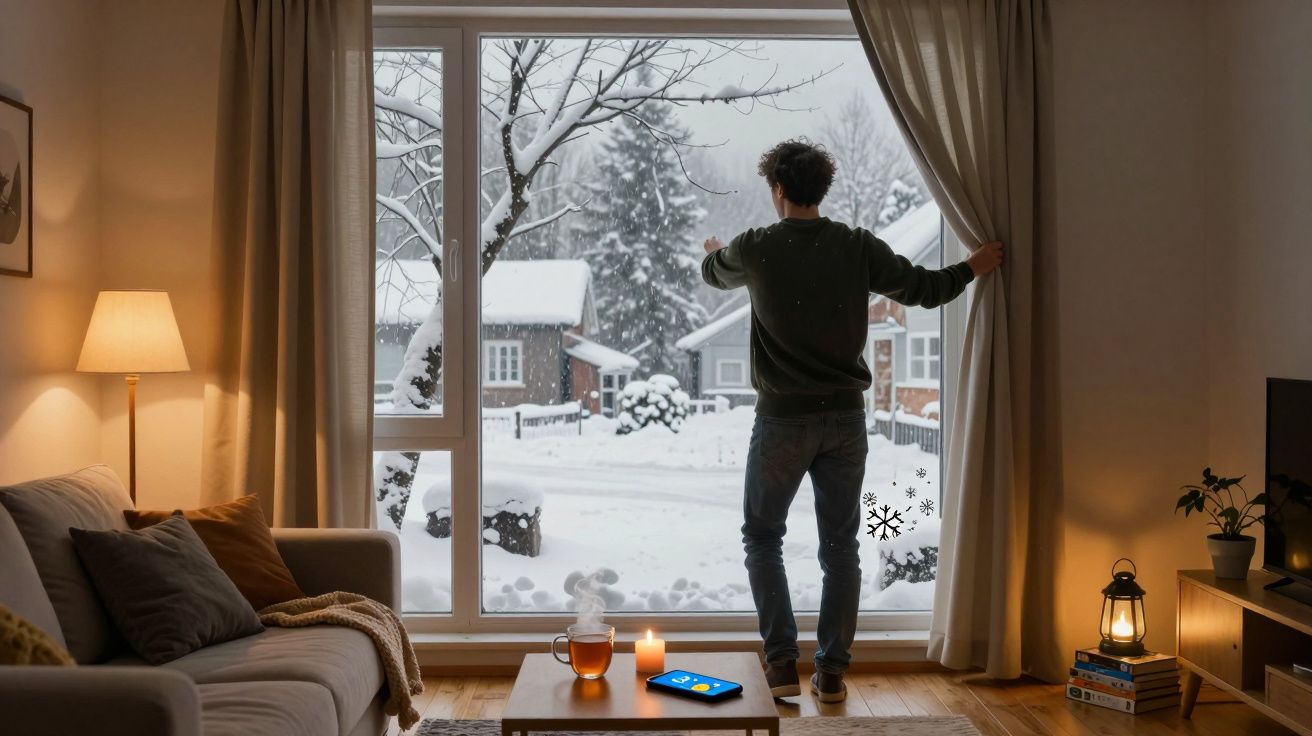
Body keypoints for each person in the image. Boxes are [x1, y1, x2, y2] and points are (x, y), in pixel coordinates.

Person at [700, 138, 1002, 703]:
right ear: (822, 189)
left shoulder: (758, 248)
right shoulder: (856, 246)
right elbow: (924, 289)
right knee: (840, 547)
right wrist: (973, 266)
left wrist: (716, 250)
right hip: (844, 420)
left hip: (782, 422)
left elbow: (713, 274)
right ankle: (833, 673)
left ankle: (782, 665)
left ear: (780, 190)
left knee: (763, 537)